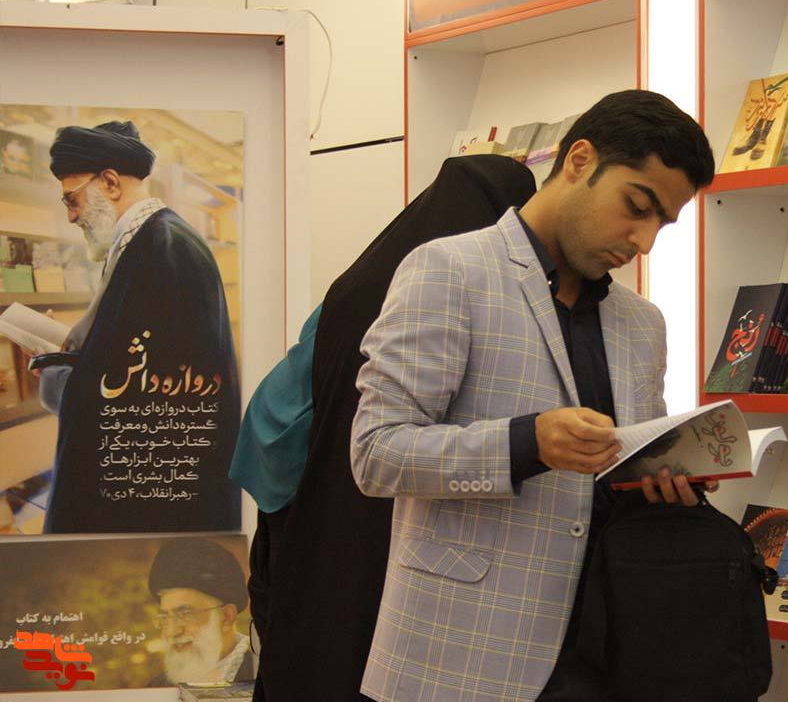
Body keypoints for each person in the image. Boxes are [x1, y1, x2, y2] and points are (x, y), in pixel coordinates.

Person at [350, 89, 715, 702]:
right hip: (461, 659)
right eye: (636, 206)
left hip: (606, 653)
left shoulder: (642, 323)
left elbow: (619, 473)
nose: (644, 241)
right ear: (579, 160)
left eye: (662, 223)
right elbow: (376, 453)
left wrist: (661, 486)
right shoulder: (449, 270)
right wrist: (528, 442)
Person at [253, 154, 538, 702]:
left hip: (324, 518)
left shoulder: (352, 287)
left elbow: (272, 414)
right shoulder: (469, 290)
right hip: (414, 521)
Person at [34, 120, 240, 533]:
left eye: (72, 199)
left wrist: (55, 375)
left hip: (154, 510)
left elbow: (145, 396)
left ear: (110, 183)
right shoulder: (148, 242)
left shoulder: (165, 249)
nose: (71, 216)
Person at [146, 538, 253, 685]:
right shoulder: (158, 685)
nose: (172, 631)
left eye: (184, 614)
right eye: (165, 617)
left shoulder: (264, 673)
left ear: (226, 617)